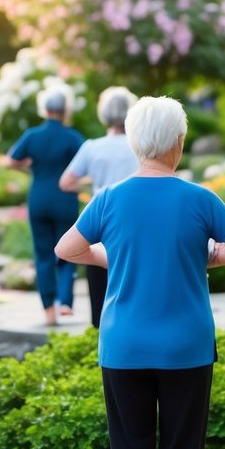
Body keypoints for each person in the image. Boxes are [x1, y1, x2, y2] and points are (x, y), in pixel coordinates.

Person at [55, 96, 225, 449]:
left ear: (133, 143)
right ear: (179, 144)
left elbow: (65, 250)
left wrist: (110, 257)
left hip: (124, 346)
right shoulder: (200, 198)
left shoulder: (108, 199)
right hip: (187, 346)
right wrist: (207, 255)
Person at [0, 85, 86, 326]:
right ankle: (66, 303)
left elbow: (10, 160)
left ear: (44, 108)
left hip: (38, 198)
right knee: (68, 250)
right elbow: (84, 166)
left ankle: (49, 312)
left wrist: (29, 166)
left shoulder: (32, 135)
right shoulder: (71, 137)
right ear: (65, 109)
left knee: (43, 254)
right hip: (65, 199)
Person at [59, 86, 140, 328]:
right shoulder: (138, 146)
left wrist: (91, 186)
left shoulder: (92, 147)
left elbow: (66, 182)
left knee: (98, 278)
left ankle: (101, 330)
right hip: (134, 216)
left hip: (102, 217)